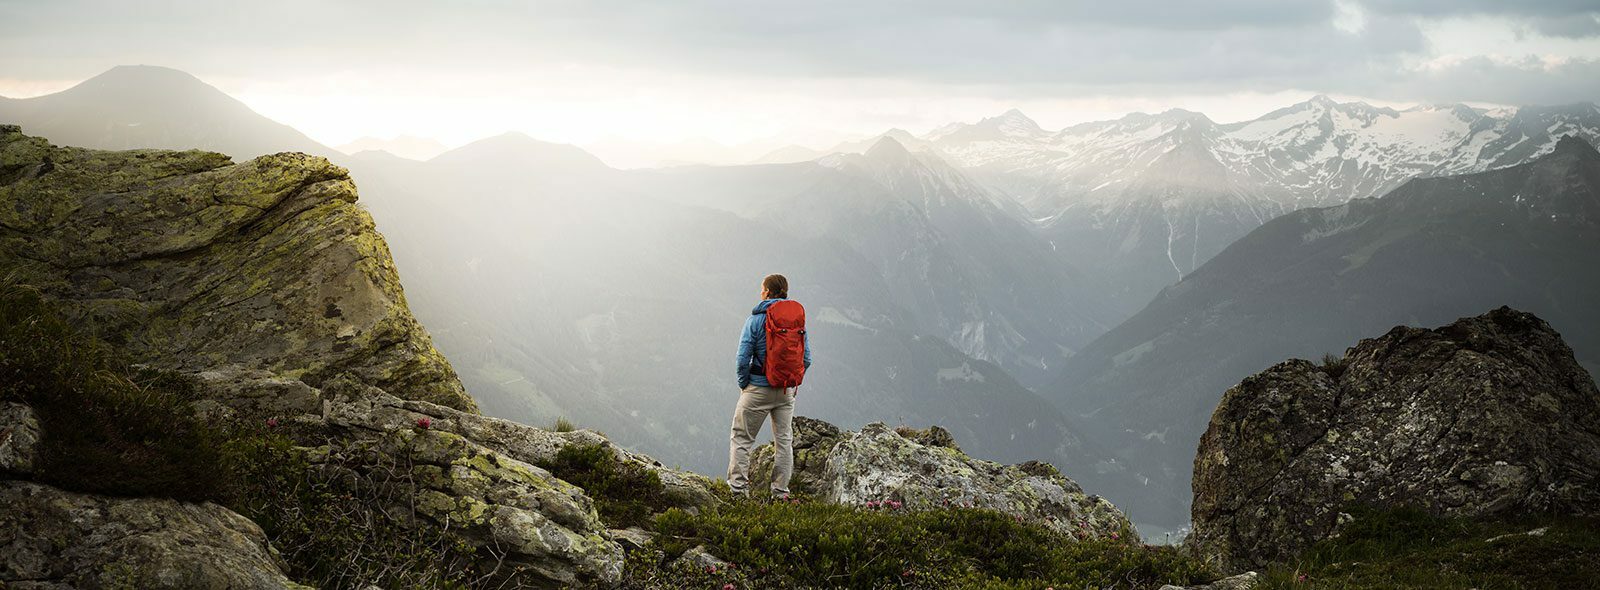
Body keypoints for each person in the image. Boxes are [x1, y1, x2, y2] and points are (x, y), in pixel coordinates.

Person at [727, 273, 811, 498]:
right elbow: (807, 359)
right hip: (786, 391)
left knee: (742, 438)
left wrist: (745, 384)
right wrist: (791, 381)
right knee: (784, 441)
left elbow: (742, 359)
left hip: (758, 388)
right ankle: (781, 493)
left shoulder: (755, 320)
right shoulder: (796, 320)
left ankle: (738, 492)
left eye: (761, 289)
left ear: (766, 292)